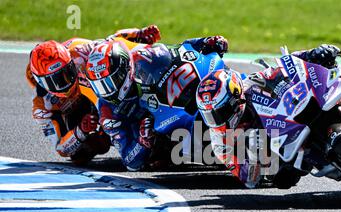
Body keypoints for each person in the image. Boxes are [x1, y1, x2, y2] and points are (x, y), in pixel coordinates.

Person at [195, 44, 341, 188]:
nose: (217, 120)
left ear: (235, 97)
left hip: (296, 117)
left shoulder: (252, 85)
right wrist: (268, 168)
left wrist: (312, 54)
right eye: (210, 115)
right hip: (290, 158)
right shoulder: (221, 140)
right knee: (302, 171)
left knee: (332, 75)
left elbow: (286, 65)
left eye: (219, 112)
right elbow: (247, 177)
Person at [85, 35, 228, 171]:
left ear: (124, 69)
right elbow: (129, 161)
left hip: (171, 102)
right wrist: (143, 141)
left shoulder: (142, 57)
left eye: (109, 82)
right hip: (158, 135)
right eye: (99, 86)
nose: (107, 91)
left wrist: (206, 41)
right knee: (164, 152)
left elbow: (180, 49)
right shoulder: (107, 113)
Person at [25, 25, 161, 164]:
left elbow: (110, 44)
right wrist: (80, 130)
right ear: (40, 82)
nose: (65, 83)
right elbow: (61, 149)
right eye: (55, 81)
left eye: (67, 72)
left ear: (70, 60)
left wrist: (138, 35)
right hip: (83, 119)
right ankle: (134, 142)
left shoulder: (78, 51)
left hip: (100, 93)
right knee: (80, 155)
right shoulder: (42, 106)